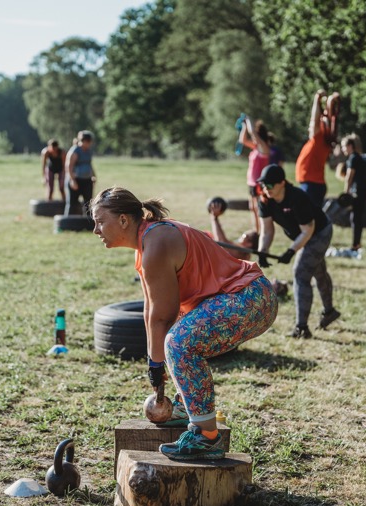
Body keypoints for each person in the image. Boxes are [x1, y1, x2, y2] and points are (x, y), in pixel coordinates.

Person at [91, 187, 278, 460]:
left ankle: (206, 437)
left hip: (250, 298)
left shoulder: (156, 242)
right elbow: (150, 310)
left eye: (99, 221)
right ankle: (184, 408)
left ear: (123, 220)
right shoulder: (146, 244)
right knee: (175, 338)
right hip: (245, 299)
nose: (95, 230)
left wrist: (158, 365)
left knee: (179, 342)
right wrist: (154, 363)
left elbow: (163, 317)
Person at [257, 164, 340, 338]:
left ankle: (301, 327)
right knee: (318, 271)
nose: (266, 189)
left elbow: (308, 230)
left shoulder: (296, 197)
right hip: (303, 235)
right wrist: (262, 250)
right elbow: (267, 230)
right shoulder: (265, 199)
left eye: (270, 185)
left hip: (319, 233)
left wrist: (291, 251)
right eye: (263, 185)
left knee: (301, 273)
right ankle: (330, 311)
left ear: (282, 183)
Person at [295, 90, 338, 210]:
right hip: (313, 184)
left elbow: (314, 121)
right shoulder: (321, 142)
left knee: (308, 216)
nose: (309, 127)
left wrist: (317, 98)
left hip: (311, 185)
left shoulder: (318, 140)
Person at [339, 134, 366, 253]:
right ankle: (357, 243)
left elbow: (349, 176)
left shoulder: (353, 158)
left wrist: (346, 192)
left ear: (350, 146)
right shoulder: (358, 157)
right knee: (356, 217)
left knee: (356, 218)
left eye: (344, 146)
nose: (343, 149)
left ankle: (356, 245)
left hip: (358, 191)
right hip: (362, 191)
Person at [238, 116, 271, 232]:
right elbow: (243, 140)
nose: (253, 138)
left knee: (258, 208)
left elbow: (253, 133)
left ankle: (262, 231)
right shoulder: (256, 147)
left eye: (255, 136)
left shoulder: (264, 148)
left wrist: (247, 120)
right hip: (251, 183)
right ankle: (256, 230)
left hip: (258, 183)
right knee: (252, 208)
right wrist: (244, 126)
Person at [64, 130, 96, 216]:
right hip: (76, 180)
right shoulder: (75, 151)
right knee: (72, 203)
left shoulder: (88, 151)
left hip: (87, 180)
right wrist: (72, 180)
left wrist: (93, 175)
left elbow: (89, 164)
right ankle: (69, 223)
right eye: (89, 142)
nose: (90, 144)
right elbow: (69, 167)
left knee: (88, 204)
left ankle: (88, 223)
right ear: (85, 141)